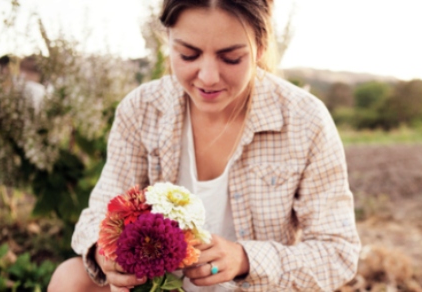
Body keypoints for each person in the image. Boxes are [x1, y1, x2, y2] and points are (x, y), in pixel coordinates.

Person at [48, 0, 360, 291]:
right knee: (70, 278)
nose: (208, 77)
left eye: (231, 58)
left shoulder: (304, 119)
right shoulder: (142, 109)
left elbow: (338, 251)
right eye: (188, 55)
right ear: (168, 40)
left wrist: (244, 260)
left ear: (261, 48)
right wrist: (107, 255)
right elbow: (97, 218)